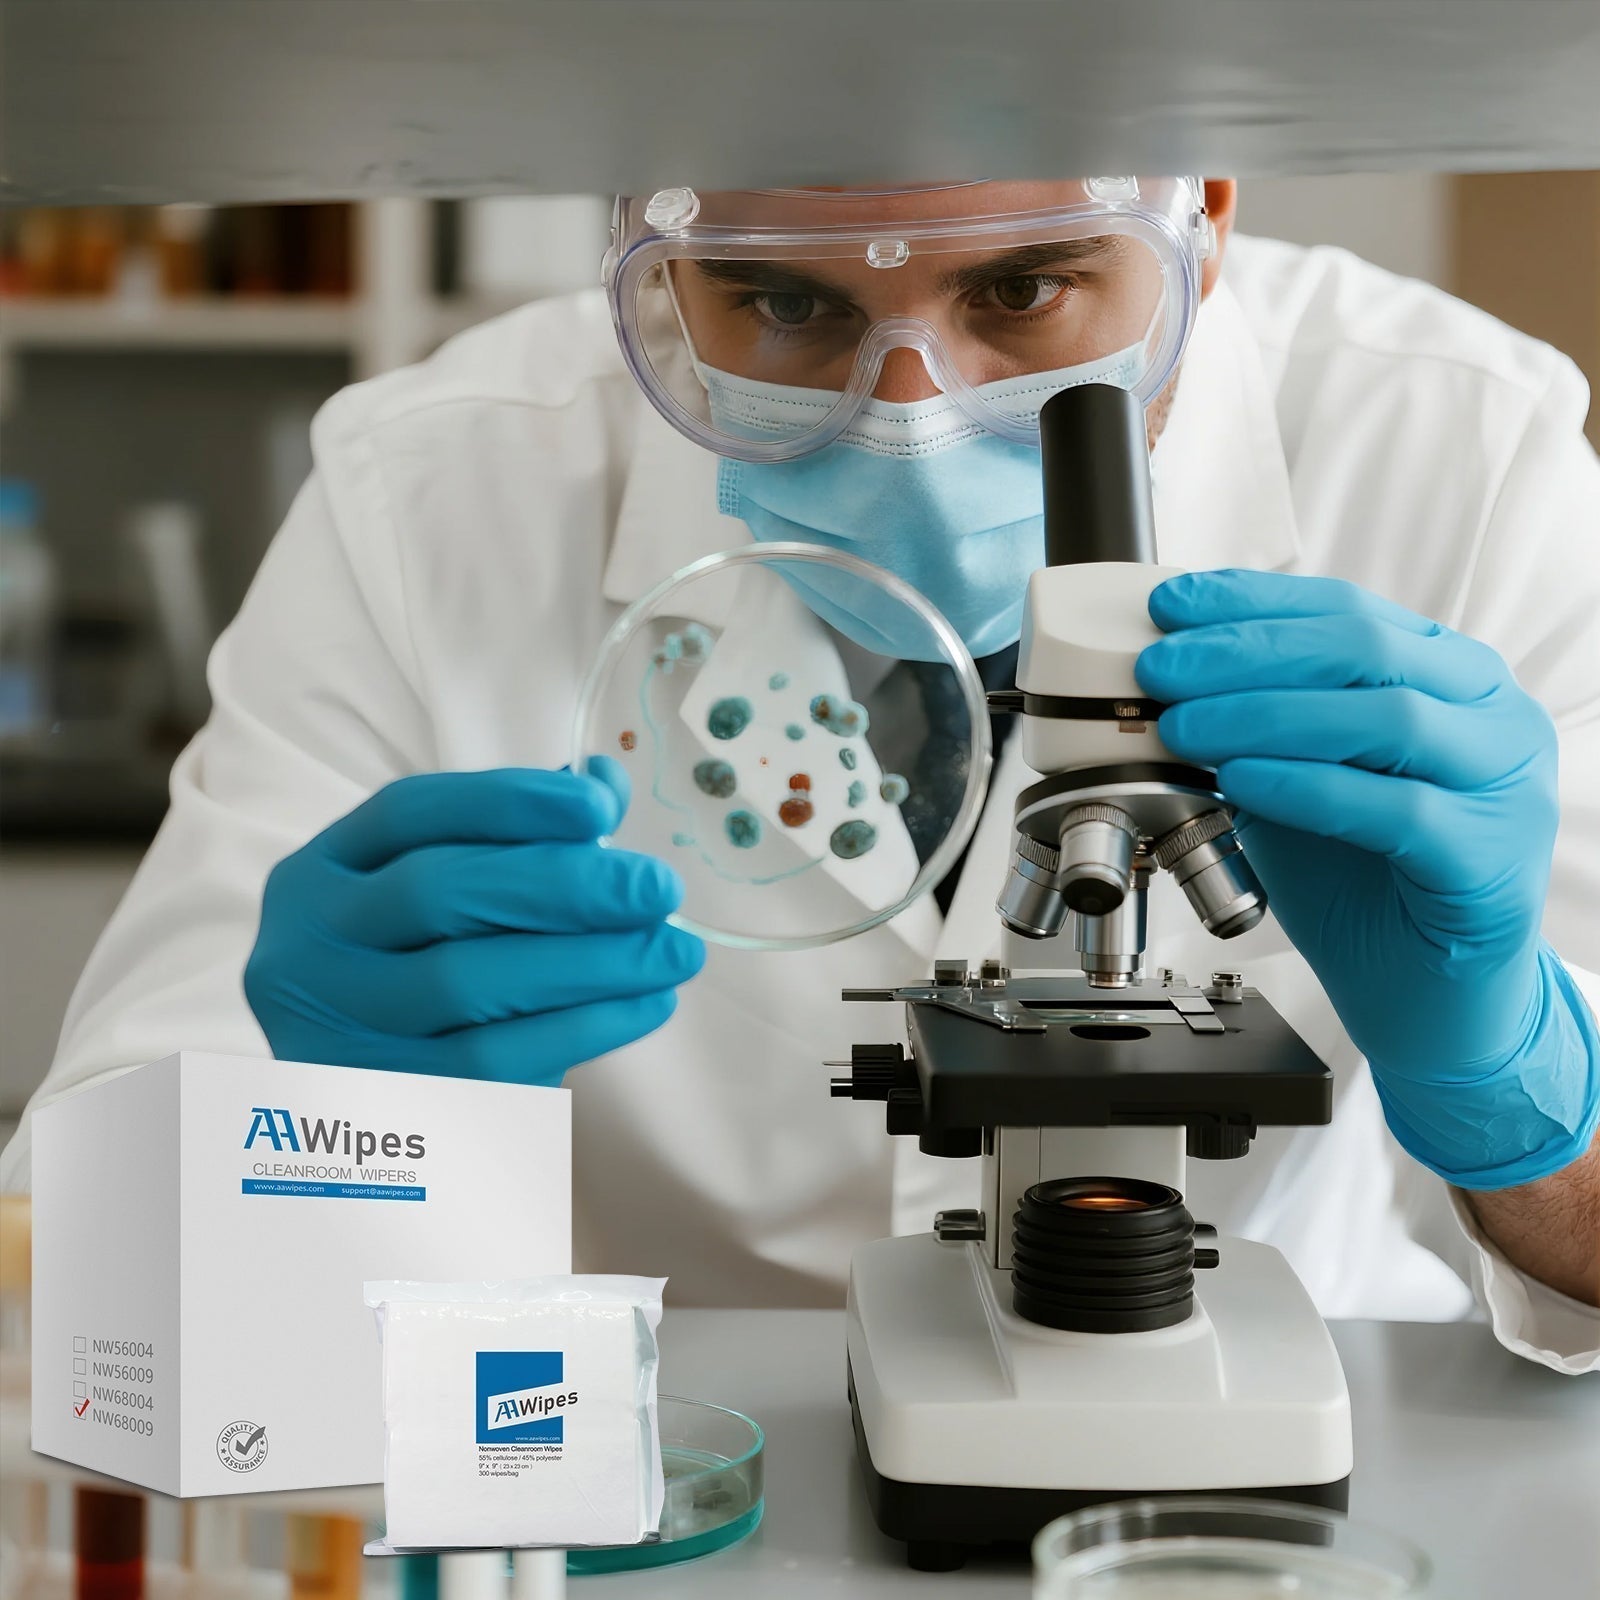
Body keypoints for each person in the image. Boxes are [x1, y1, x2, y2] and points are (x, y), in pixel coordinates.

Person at [3, 179, 1596, 1371]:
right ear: (653, 261)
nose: (908, 418)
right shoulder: (435, 486)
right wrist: (322, 1128)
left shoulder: (1458, 448)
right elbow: (82, 1288)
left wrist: (1513, 1081)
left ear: (1205, 227)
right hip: (643, 1465)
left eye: (1025, 287)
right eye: (781, 300)